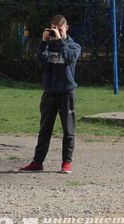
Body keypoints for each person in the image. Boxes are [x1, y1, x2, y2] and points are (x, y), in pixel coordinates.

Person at [19, 15, 81, 174]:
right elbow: (39, 61)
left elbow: (68, 58)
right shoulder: (48, 46)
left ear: (66, 27)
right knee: (45, 129)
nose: (56, 32)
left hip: (66, 93)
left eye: (59, 29)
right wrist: (44, 42)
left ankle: (66, 162)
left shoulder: (74, 46)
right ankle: (37, 162)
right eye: (53, 29)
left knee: (68, 130)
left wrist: (60, 40)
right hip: (50, 93)